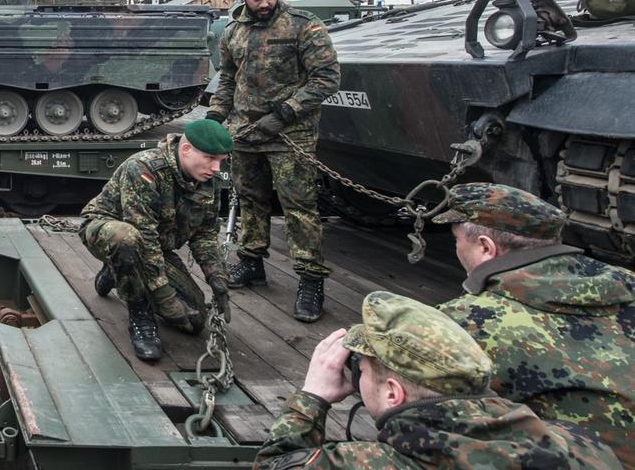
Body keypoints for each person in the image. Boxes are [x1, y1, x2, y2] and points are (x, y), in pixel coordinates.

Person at [255, 291, 619, 469]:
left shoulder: (374, 463)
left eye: (362, 369)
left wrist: (312, 398)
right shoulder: (585, 447)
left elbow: (274, 465)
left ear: (394, 393)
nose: (358, 373)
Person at [433, 183, 634, 467]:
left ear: (485, 247)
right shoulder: (626, 280)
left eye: (457, 240)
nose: (456, 248)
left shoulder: (468, 321)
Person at [207, 0, 340, 323]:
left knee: (299, 207)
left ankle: (311, 281)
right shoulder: (233, 32)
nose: (265, 3)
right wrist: (214, 118)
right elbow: (228, 80)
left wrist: (284, 113)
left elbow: (326, 79)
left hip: (289, 134)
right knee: (251, 199)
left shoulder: (303, 25)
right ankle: (251, 262)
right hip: (246, 133)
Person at [79, 119, 234, 362]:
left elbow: (204, 233)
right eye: (211, 159)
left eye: (220, 161)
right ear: (186, 150)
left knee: (194, 321)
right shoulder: (145, 168)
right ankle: (139, 312)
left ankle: (115, 271)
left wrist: (217, 277)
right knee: (127, 240)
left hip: (153, 247)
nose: (216, 167)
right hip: (108, 232)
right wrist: (163, 296)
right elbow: (144, 235)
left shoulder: (207, 182)